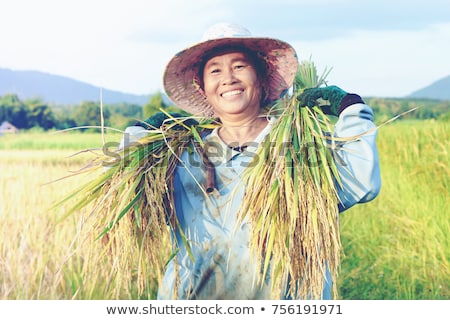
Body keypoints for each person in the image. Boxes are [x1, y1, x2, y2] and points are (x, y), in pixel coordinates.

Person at [120, 22, 381, 299]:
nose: (228, 78)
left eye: (240, 66)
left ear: (262, 75)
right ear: (202, 86)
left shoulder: (299, 143)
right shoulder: (182, 153)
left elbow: (360, 183)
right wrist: (140, 133)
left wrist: (351, 107)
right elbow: (127, 194)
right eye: (215, 70)